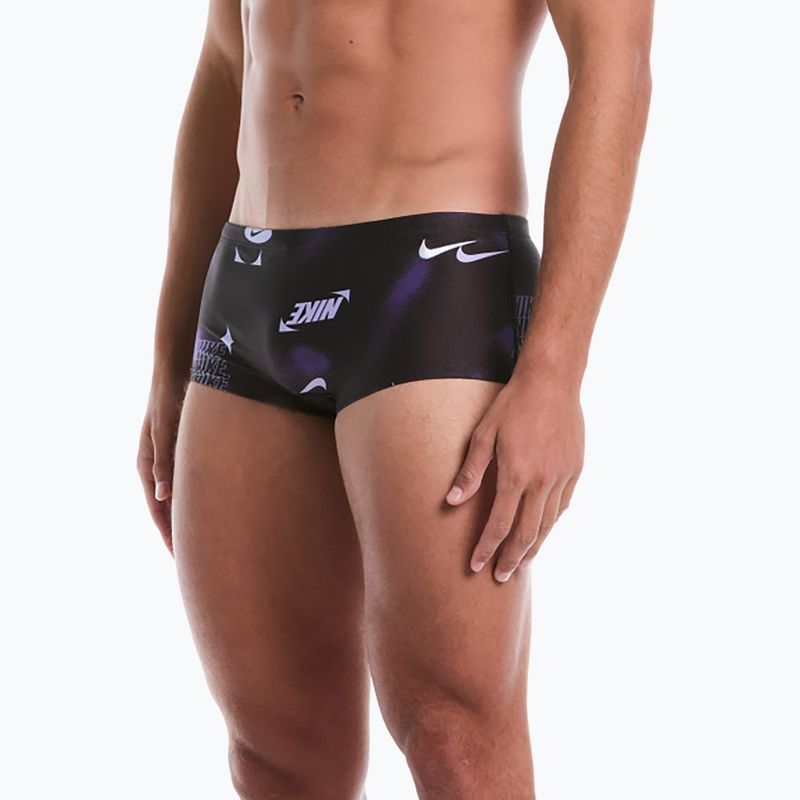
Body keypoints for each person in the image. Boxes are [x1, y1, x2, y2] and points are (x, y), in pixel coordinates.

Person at [136, 0, 653, 796]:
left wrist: (555, 375)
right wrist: (171, 352)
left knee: (454, 738)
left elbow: (613, 64)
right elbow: (224, 61)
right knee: (276, 753)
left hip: (435, 279)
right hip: (249, 283)